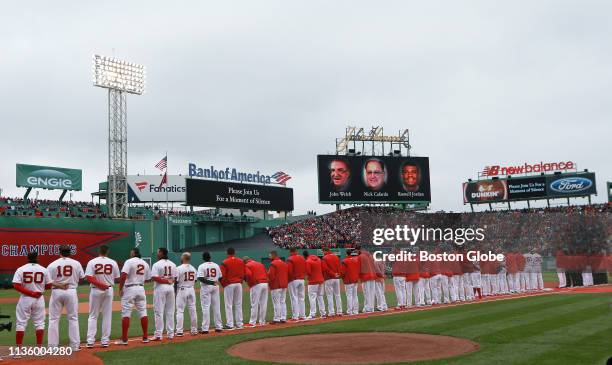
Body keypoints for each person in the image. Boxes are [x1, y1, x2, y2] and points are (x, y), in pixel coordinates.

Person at [47, 245, 85, 350]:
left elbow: (48, 282)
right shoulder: (76, 263)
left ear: (60, 252)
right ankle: (74, 346)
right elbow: (82, 277)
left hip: (56, 292)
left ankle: (52, 346)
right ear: (70, 252)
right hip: (71, 291)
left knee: (53, 319)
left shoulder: (52, 265)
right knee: (73, 318)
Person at [13, 251, 52, 348]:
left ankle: (18, 351)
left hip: (25, 298)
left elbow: (16, 285)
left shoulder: (21, 269)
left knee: (21, 323)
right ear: (37, 258)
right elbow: (49, 285)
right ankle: (38, 349)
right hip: (39, 299)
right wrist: (39, 289)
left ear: (27, 258)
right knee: (40, 323)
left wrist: (30, 292)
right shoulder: (44, 269)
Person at [85, 245, 120, 348]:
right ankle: (105, 341)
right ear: (107, 251)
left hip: (96, 290)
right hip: (108, 290)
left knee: (93, 316)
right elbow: (117, 278)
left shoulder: (92, 262)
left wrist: (100, 284)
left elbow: (89, 277)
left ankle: (90, 341)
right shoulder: (113, 262)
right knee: (107, 316)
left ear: (98, 251)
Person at [117, 248, 151, 345]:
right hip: (141, 288)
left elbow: (123, 275)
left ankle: (124, 339)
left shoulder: (129, 261)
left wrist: (120, 288)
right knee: (143, 312)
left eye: (131, 252)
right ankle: (145, 337)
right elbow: (148, 279)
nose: (130, 253)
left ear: (133, 253)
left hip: (129, 289)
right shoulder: (145, 263)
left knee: (126, 313)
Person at [151, 247, 178, 340]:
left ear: (162, 253)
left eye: (158, 252)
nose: (157, 254)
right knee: (170, 311)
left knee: (159, 311)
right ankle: (170, 334)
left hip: (160, 288)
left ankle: (158, 335)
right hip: (170, 288)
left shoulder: (156, 264)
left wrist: (165, 281)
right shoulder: (173, 264)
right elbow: (174, 278)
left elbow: (154, 277)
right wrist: (169, 281)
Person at [197, 251, 223, 334]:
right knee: (216, 307)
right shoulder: (216, 265)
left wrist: (211, 282)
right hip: (215, 286)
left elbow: (200, 278)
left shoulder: (202, 266)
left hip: (206, 287)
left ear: (203, 258)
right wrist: (214, 281)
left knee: (205, 307)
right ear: (210, 257)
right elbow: (220, 277)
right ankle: (219, 327)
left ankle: (205, 328)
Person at [220, 247, 245, 330]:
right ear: (234, 253)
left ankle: (230, 324)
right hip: (239, 284)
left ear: (227, 253)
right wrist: (240, 280)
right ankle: (240, 324)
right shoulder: (241, 261)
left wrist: (224, 284)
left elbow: (221, 276)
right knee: (238, 304)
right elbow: (244, 273)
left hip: (229, 284)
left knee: (229, 305)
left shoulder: (225, 262)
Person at [175, 252, 198, 336]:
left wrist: (174, 293)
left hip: (182, 290)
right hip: (191, 289)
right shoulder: (193, 268)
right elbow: (195, 280)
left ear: (184, 258)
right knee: (193, 310)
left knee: (180, 311)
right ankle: (194, 330)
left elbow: (176, 281)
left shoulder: (179, 268)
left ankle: (179, 331)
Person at [243, 256, 269, 327]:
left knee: (254, 304)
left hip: (256, 284)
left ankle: (252, 322)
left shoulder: (247, 265)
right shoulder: (260, 264)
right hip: (265, 283)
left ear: (245, 261)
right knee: (263, 303)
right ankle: (262, 322)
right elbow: (266, 274)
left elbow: (248, 274)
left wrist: (249, 283)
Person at [304, 250, 326, 319]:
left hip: (313, 281)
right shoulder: (319, 259)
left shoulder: (307, 261)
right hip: (321, 280)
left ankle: (312, 314)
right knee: (320, 297)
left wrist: (307, 276)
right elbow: (323, 269)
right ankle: (323, 313)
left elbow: (308, 272)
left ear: (304, 256)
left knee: (312, 298)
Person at [268, 251, 289, 323]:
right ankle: (283, 318)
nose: (269, 256)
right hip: (284, 285)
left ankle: (277, 318)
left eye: (270, 255)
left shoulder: (273, 263)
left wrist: (270, 284)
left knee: (276, 302)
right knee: (282, 302)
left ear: (274, 255)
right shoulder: (284, 263)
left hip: (276, 285)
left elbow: (271, 275)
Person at [286, 247, 307, 321]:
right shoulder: (302, 258)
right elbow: (305, 268)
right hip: (302, 280)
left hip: (294, 280)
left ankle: (295, 316)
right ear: (296, 251)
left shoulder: (290, 259)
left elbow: (289, 271)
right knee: (301, 298)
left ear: (291, 252)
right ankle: (303, 315)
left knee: (294, 298)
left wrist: (289, 279)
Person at [322, 247, 343, 316]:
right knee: (337, 295)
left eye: (323, 251)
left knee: (329, 295)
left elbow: (325, 269)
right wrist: (338, 274)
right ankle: (339, 311)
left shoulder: (325, 258)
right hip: (337, 278)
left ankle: (331, 312)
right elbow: (340, 266)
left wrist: (333, 274)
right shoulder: (336, 256)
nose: (323, 253)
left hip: (329, 278)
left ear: (326, 251)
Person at [357, 246, 377, 312]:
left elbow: (359, 268)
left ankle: (367, 308)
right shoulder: (370, 256)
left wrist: (359, 277)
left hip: (366, 276)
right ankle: (371, 307)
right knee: (372, 292)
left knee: (367, 293)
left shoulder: (360, 256)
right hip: (373, 276)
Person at [341, 249, 360, 315]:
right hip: (355, 280)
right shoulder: (356, 260)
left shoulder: (344, 261)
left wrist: (341, 276)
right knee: (355, 295)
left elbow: (343, 272)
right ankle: (356, 310)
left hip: (349, 280)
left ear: (346, 253)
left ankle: (350, 311)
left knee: (349, 296)